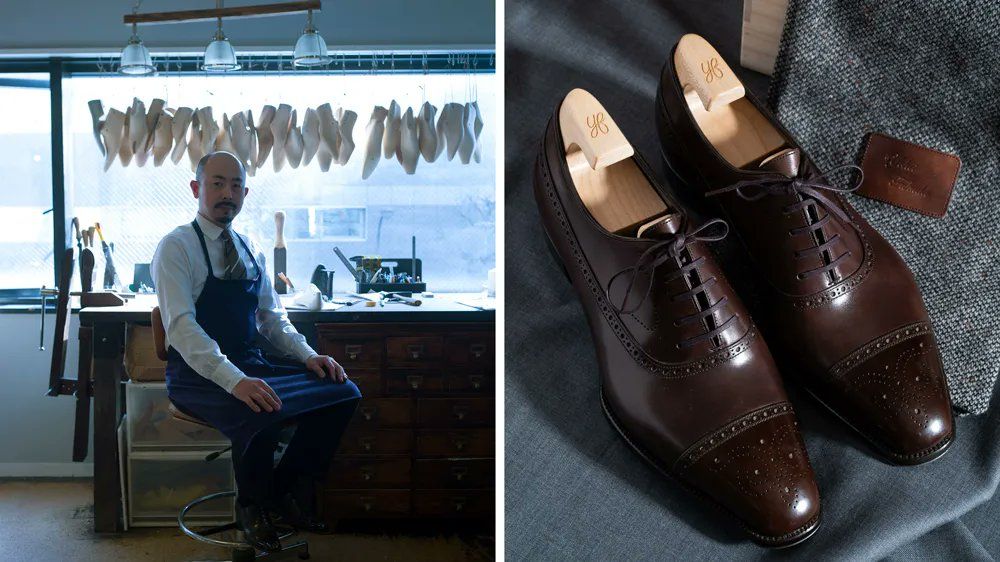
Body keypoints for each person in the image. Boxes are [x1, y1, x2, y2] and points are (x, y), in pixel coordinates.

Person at [152, 150, 361, 552]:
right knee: (261, 407)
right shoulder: (176, 247)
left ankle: (281, 492)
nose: (226, 193)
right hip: (198, 375)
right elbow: (181, 327)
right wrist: (235, 381)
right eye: (216, 183)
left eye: (234, 185)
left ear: (245, 193)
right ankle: (252, 508)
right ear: (197, 189)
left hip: (252, 363)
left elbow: (272, 318)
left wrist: (307, 356)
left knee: (342, 393)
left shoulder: (250, 249)